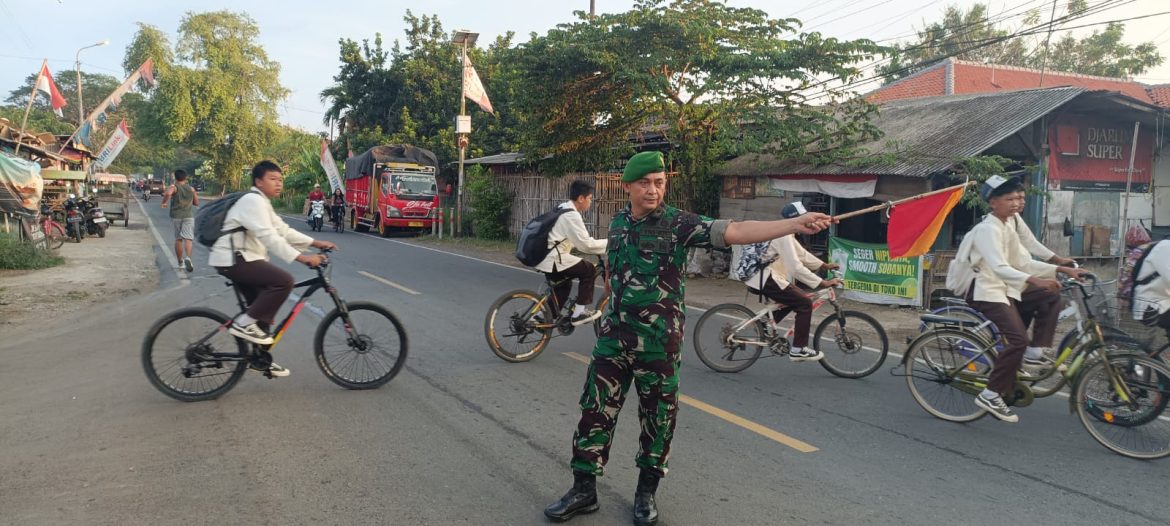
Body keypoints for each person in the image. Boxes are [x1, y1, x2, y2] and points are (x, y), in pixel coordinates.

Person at [544, 151, 833, 526]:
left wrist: (793, 224)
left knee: (658, 420)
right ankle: (584, 489)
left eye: (659, 183)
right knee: (594, 412)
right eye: (645, 183)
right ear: (627, 186)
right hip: (613, 340)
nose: (653, 190)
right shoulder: (617, 223)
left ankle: (646, 494)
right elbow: (613, 272)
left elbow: (736, 231)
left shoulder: (679, 223)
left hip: (658, 343)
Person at [965, 175, 1086, 423]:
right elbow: (1000, 267)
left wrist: (1060, 267)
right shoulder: (988, 229)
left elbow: (1024, 258)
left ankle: (1031, 353)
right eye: (1010, 199)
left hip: (1006, 284)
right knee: (1018, 339)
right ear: (993, 202)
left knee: (1051, 295)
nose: (1017, 203)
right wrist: (1037, 279)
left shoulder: (1010, 222)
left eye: (1019, 198)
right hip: (985, 288)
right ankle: (990, 394)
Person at [209, 161, 337, 377]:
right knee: (283, 282)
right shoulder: (252, 201)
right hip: (233, 259)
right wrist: (304, 258)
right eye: (273, 179)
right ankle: (242, 325)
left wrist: (316, 243)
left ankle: (260, 359)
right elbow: (269, 237)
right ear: (259, 181)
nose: (278, 184)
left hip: (242, 258)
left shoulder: (262, 203)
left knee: (262, 313)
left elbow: (283, 231)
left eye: (280, 180)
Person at [743, 201, 843, 362]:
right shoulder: (783, 235)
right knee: (804, 303)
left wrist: (824, 265)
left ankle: (764, 323)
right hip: (763, 277)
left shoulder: (787, 232)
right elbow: (795, 267)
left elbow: (801, 254)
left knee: (793, 298)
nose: (807, 221)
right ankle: (798, 349)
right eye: (802, 218)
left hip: (762, 276)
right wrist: (822, 283)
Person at [532, 180, 608, 324]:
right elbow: (586, 245)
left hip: (544, 257)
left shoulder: (562, 207)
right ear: (581, 198)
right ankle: (579, 313)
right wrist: (609, 243)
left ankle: (543, 318)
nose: (591, 202)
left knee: (563, 286)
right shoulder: (572, 215)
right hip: (554, 259)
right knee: (589, 270)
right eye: (590, 198)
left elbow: (568, 238)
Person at [161, 169, 199, 272]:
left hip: (177, 216)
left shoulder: (174, 187)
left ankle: (180, 262)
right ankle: (188, 258)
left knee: (178, 239)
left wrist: (164, 202)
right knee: (188, 239)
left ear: (175, 177)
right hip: (188, 216)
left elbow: (168, 193)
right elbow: (196, 203)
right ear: (185, 178)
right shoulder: (191, 189)